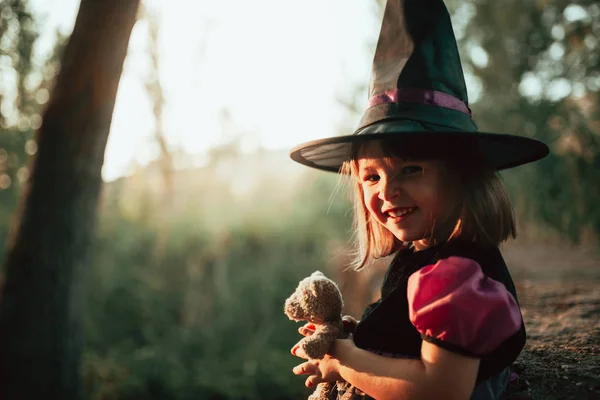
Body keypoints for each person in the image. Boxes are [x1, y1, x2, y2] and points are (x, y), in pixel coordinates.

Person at [287, 0, 549, 399]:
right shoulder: (424, 257)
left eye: (411, 169)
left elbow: (439, 389)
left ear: (463, 177)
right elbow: (417, 337)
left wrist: (342, 358)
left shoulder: (454, 277)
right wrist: (362, 338)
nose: (387, 191)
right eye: (372, 176)